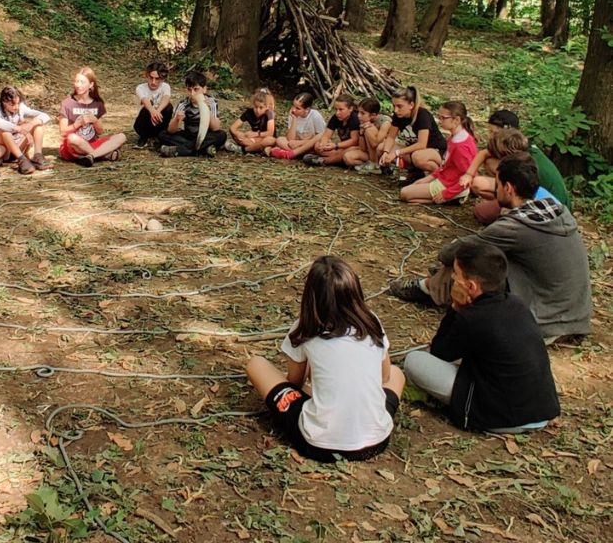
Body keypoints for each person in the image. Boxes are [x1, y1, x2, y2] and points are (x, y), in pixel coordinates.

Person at [388, 153, 592, 341]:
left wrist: (448, 253)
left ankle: (427, 288)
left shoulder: (515, 227)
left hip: (548, 320)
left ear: (508, 188)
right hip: (576, 313)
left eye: (498, 182)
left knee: (471, 259)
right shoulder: (556, 210)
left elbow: (457, 252)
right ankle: (431, 286)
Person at [245, 256, 405, 462]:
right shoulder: (371, 321)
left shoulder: (307, 327)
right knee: (398, 374)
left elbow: (294, 383)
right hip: (377, 440)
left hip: (319, 444)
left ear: (311, 296)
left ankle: (325, 406)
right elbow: (385, 377)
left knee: (256, 364)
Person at [403, 241, 560, 433]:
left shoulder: (472, 318)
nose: (452, 277)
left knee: (414, 361)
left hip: (501, 417)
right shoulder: (516, 303)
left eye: (456, 273)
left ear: (470, 286)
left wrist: (455, 308)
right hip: (541, 411)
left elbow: (439, 352)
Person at [399, 101, 477, 204]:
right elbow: (445, 166)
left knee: (404, 193)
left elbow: (469, 175)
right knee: (412, 189)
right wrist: (428, 179)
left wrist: (447, 193)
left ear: (457, 120)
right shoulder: (454, 138)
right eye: (439, 117)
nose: (440, 121)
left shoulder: (460, 146)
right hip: (446, 180)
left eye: (443, 118)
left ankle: (450, 198)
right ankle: (445, 198)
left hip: (450, 185)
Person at [58, 67, 127, 167]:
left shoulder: (97, 103)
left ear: (91, 85)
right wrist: (77, 124)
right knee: (72, 138)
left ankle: (91, 156)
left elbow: (100, 131)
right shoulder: (67, 103)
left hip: (92, 143)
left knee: (122, 137)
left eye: (82, 82)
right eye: (76, 81)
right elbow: (63, 132)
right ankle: (103, 155)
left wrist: (94, 120)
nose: (78, 85)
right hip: (73, 146)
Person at [378, 86, 446, 181]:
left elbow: (422, 144)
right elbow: (390, 137)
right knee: (382, 148)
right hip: (414, 150)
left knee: (418, 157)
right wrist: (386, 152)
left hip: (434, 150)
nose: (396, 110)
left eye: (399, 106)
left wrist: (397, 153)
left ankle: (440, 176)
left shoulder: (422, 115)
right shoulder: (398, 115)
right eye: (394, 106)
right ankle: (415, 172)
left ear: (411, 105)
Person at [158, 71, 227, 158]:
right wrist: (177, 119)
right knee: (162, 135)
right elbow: (171, 130)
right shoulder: (183, 104)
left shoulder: (211, 102)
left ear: (204, 89)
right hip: (189, 135)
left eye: (196, 89)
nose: (192, 93)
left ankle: (178, 150)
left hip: (206, 135)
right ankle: (203, 149)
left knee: (221, 135)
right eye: (189, 90)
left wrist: (207, 110)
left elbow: (216, 128)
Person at [0, 86, 52, 175]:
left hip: (18, 145)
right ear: (4, 102)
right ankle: (21, 159)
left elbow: (45, 116)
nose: (16, 107)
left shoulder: (21, 107)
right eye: (12, 105)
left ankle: (37, 156)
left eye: (18, 103)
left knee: (38, 126)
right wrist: (18, 128)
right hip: (3, 149)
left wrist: (30, 124)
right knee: (4, 131)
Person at [303, 94, 360, 167]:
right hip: (343, 148)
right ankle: (338, 159)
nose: (337, 113)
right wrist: (323, 144)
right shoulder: (336, 117)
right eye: (336, 109)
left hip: (355, 149)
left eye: (341, 109)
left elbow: (354, 141)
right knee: (317, 146)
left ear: (351, 108)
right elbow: (326, 135)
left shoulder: (354, 118)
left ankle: (326, 161)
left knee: (349, 153)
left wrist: (335, 145)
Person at [270, 93, 325, 160]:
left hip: (310, 143)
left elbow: (321, 137)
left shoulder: (315, 116)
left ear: (307, 109)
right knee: (280, 140)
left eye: (298, 108)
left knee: (317, 145)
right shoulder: (293, 115)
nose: (294, 110)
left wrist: (299, 143)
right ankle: (301, 153)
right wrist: (294, 119)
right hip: (296, 143)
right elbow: (290, 139)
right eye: (293, 106)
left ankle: (294, 153)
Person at [344, 98, 392, 174]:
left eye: (362, 113)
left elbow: (375, 144)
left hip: (382, 153)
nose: (359, 116)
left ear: (373, 115)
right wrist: (361, 133)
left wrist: (367, 129)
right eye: (358, 112)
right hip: (370, 153)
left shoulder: (385, 122)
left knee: (370, 129)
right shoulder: (365, 122)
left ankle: (376, 165)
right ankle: (369, 165)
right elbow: (362, 148)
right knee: (348, 157)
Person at [133, 61, 173, 149]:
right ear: (147, 76)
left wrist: (157, 111)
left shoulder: (165, 86)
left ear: (162, 79)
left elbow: (166, 98)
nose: (153, 82)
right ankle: (144, 137)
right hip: (143, 123)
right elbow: (145, 100)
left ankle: (159, 137)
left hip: (159, 121)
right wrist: (152, 111)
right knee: (147, 107)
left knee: (168, 107)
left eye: (157, 79)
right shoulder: (140, 88)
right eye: (151, 78)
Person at [228, 88, 277, 155]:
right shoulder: (249, 113)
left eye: (261, 107)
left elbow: (270, 133)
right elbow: (232, 128)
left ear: (267, 107)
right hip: (252, 138)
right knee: (239, 138)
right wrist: (238, 134)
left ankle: (244, 149)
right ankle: (257, 148)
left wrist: (256, 134)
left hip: (265, 138)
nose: (257, 110)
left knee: (269, 140)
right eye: (255, 107)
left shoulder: (269, 114)